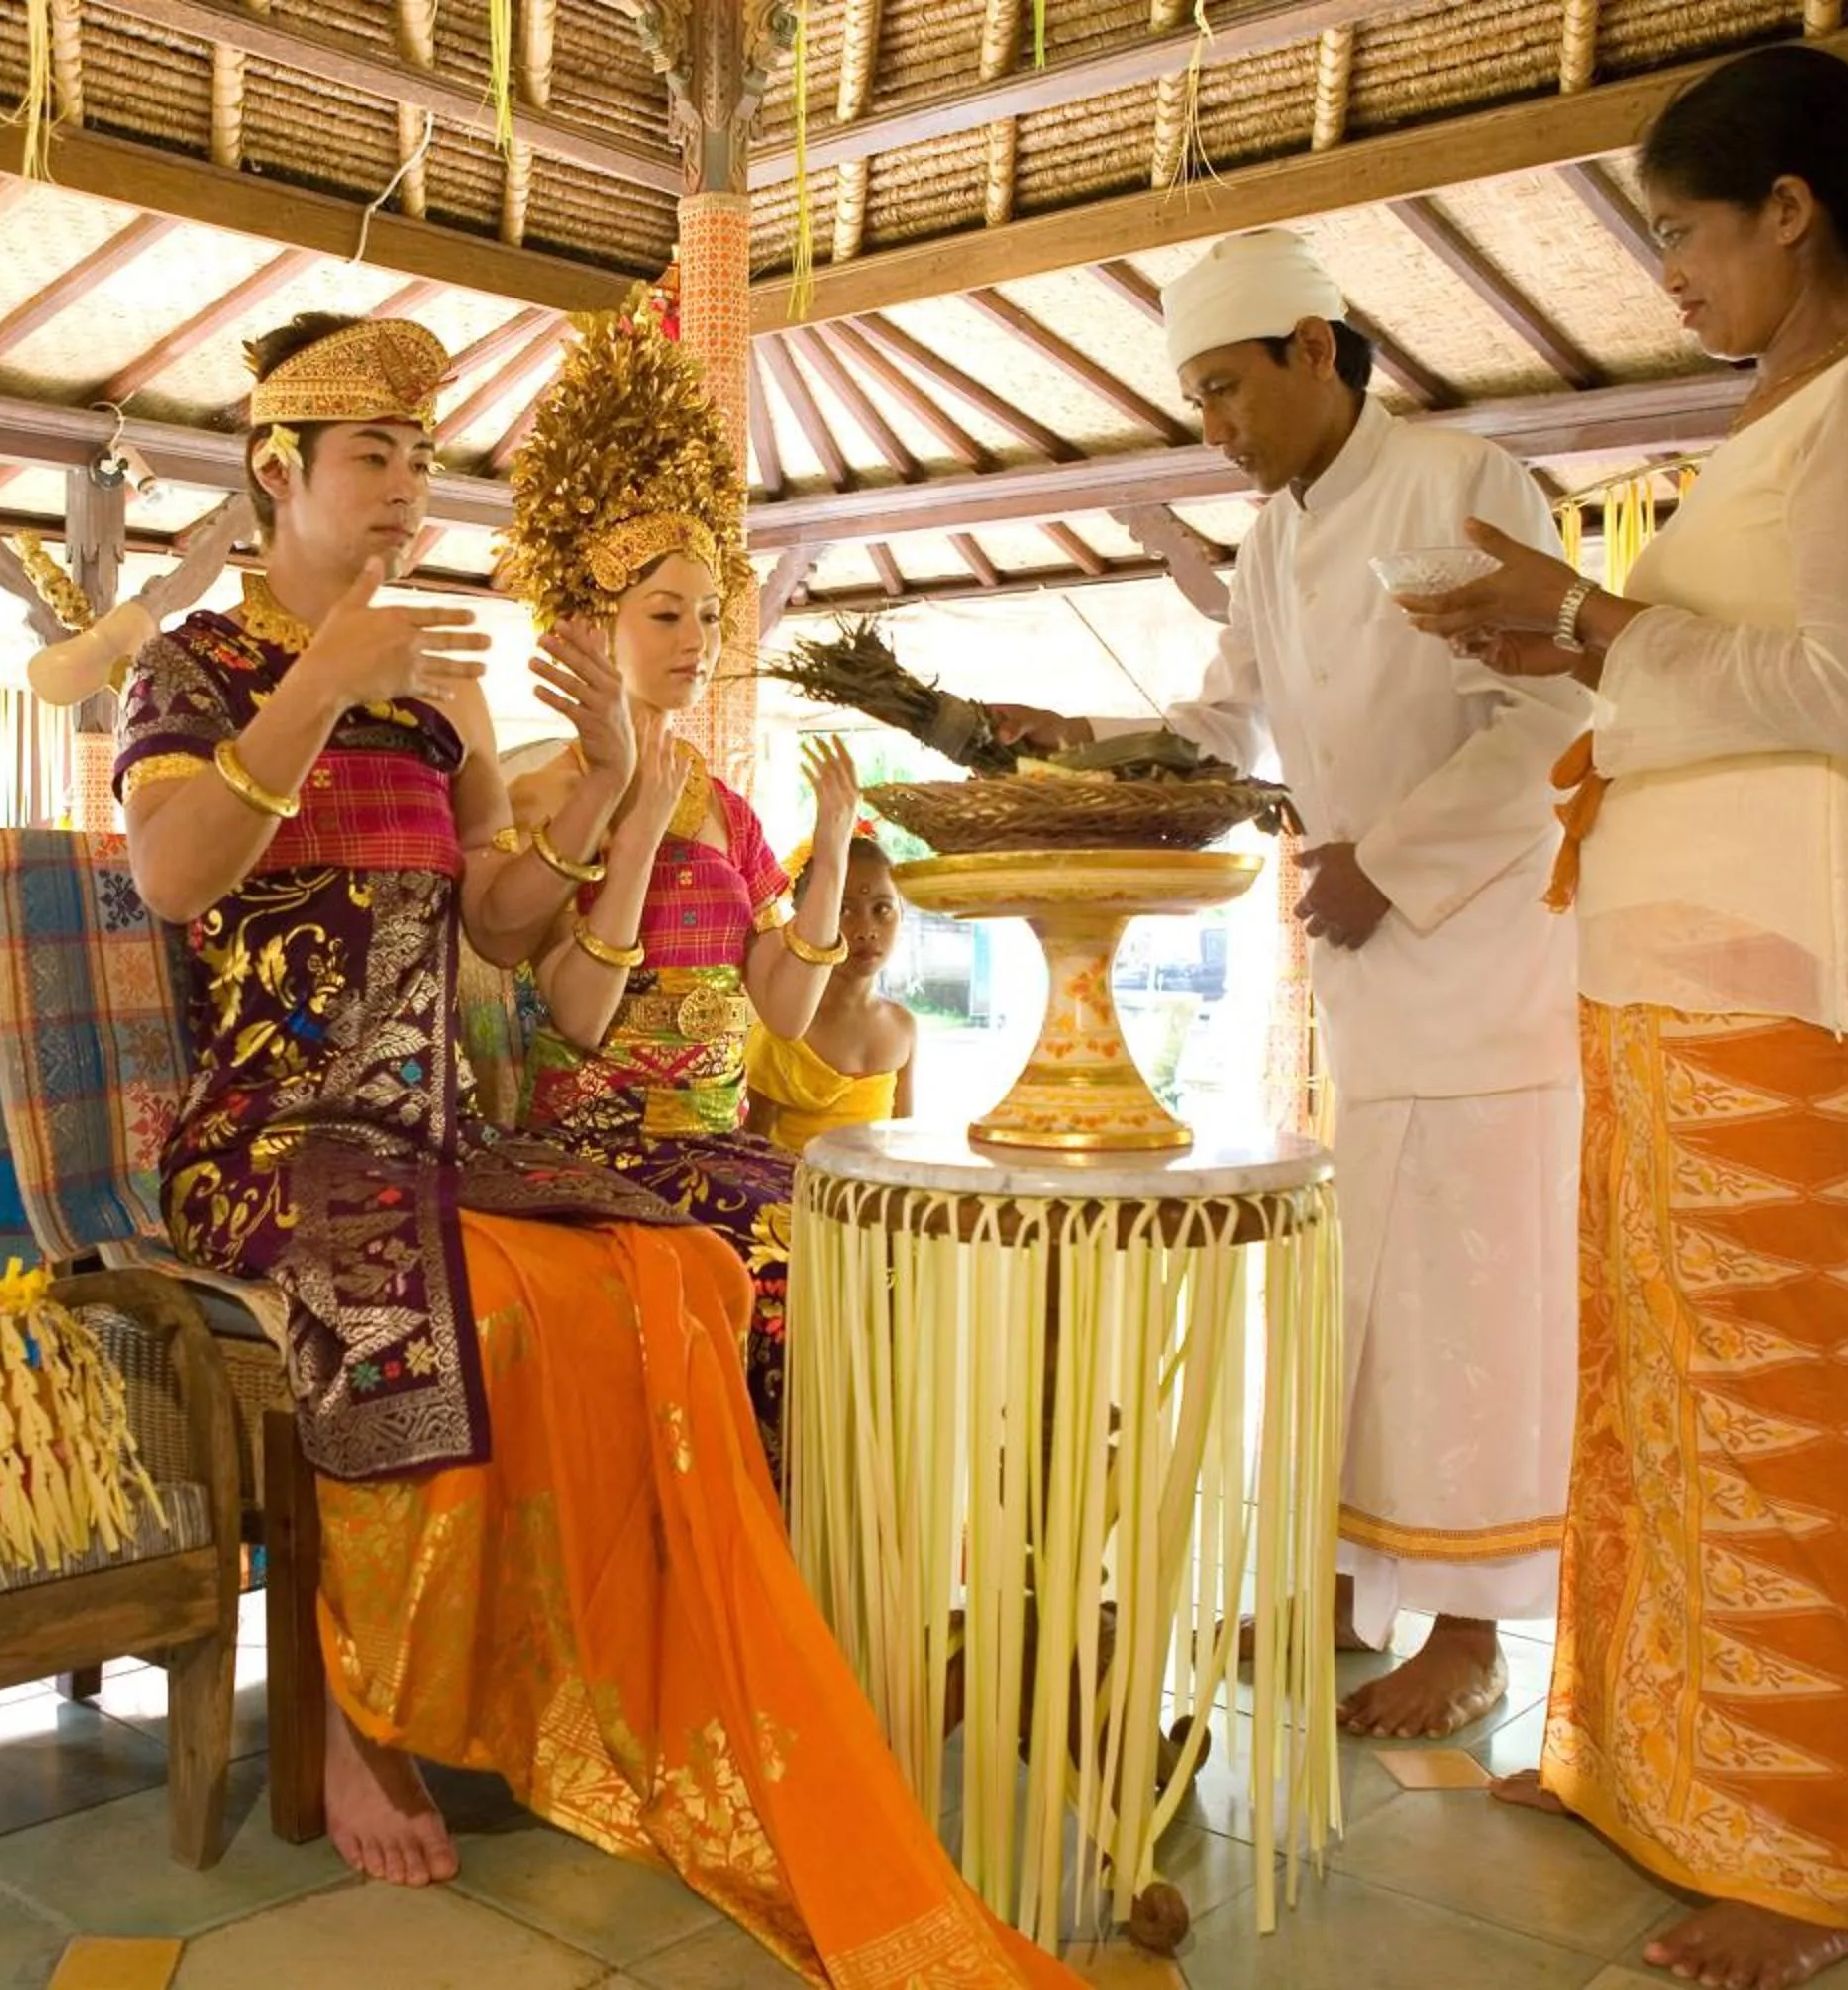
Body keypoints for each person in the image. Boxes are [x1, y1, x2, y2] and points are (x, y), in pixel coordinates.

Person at [114, 306, 1074, 1984]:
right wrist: (318, 688)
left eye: (421, 457)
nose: (409, 487)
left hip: (428, 1130)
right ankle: (363, 1711)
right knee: (472, 1312)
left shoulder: (438, 706)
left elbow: (496, 928)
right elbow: (178, 876)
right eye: (373, 456)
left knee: (673, 1267)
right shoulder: (197, 666)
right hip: (268, 1137)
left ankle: (616, 1662)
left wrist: (611, 783)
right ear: (279, 468)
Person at [1397, 44, 1848, 1989]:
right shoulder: (1778, 418)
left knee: (1783, 1415)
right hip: (1664, 971)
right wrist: (1578, 632)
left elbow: (1836, 685)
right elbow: (1700, 675)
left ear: (1792, 213)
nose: (1668, 273)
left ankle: (1814, 1863)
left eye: (1682, 232)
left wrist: (1581, 624)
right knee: (1651, 1398)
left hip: (1783, 983)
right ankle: (1643, 1770)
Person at [993, 225, 1587, 1743]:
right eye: (1194, 402)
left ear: (1314, 351)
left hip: (1485, 952)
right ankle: (1337, 1582)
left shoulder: (1461, 482)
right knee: (1349, 1295)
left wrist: (1396, 856)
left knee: (1471, 1299)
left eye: (1225, 393)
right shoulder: (1266, 542)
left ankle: (1469, 1631)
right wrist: (1067, 750)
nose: (1214, 431)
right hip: (1358, 964)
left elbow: (1554, 717)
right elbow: (1223, 727)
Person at [498, 297, 863, 1474]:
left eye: (708, 613)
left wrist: (836, 839)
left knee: (875, 1231)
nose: (694, 638)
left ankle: (847, 1546)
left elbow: (789, 1010)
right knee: (784, 1250)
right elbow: (577, 1018)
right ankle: (767, 1532)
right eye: (664, 613)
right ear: (597, 626)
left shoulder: (729, 802)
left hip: (718, 1135)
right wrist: (638, 818)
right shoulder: (548, 791)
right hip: (600, 1146)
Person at [745, 833, 917, 1154]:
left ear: (902, 914)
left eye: (881, 909)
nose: (866, 929)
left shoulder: (902, 1027)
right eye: (843, 911)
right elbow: (754, 1156)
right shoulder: (781, 1030)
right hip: (791, 1199)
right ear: (808, 923)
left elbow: (902, 1147)